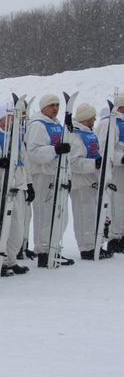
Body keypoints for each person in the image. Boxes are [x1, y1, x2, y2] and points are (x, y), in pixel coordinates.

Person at [0, 100, 30, 277]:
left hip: (16, 188)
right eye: (11, 117)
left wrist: (28, 184)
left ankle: (11, 259)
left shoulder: (15, 136)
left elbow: (23, 162)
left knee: (17, 227)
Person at [25, 94, 74, 267]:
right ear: (43, 107)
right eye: (52, 105)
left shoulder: (57, 125)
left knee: (60, 214)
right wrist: (54, 150)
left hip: (56, 175)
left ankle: (54, 247)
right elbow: (33, 152)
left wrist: (67, 174)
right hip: (42, 175)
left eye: (57, 105)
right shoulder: (38, 125)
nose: (55, 108)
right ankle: (44, 251)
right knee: (44, 214)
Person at [69, 104, 111, 259]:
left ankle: (94, 245)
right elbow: (74, 163)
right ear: (86, 117)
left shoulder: (88, 133)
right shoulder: (75, 135)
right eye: (93, 116)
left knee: (92, 215)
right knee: (83, 216)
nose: (95, 119)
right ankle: (86, 248)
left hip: (91, 181)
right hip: (81, 184)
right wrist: (95, 164)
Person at [96, 93, 124, 253]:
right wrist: (121, 158)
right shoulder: (110, 122)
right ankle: (115, 237)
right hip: (115, 170)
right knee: (116, 203)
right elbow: (105, 148)